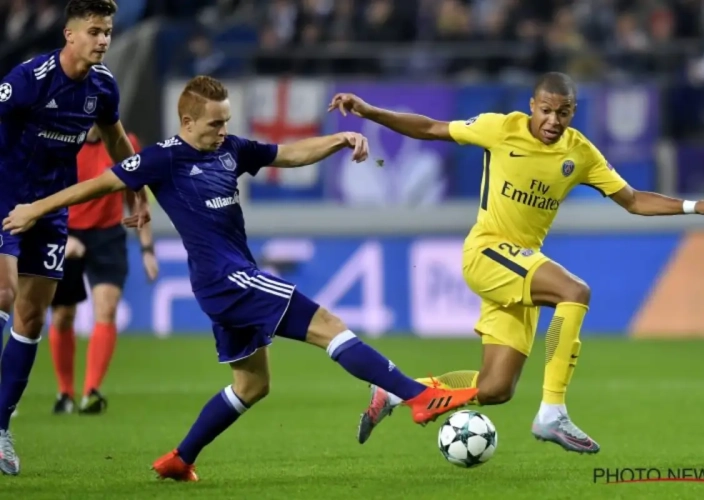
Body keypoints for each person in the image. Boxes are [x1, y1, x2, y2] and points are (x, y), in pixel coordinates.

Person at [2, 75, 478, 482]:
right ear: (186, 123)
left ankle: (179, 458)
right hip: (229, 278)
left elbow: (287, 154)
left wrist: (338, 140)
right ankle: (418, 397)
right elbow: (97, 184)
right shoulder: (163, 158)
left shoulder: (231, 149)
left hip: (225, 285)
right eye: (214, 123)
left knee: (252, 385)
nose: (223, 130)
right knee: (329, 324)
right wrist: (34, 209)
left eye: (226, 120)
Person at [327, 72, 704, 453]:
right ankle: (552, 412)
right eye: (546, 110)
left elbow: (633, 200)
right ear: (532, 106)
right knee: (574, 291)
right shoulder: (500, 127)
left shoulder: (580, 153)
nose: (553, 120)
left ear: (572, 113)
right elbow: (431, 128)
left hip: (520, 265)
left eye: (562, 113)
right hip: (487, 251)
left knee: (495, 388)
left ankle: (398, 392)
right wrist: (369, 111)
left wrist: (696, 205)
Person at [0, 0, 148, 475]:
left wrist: (138, 189)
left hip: (51, 211)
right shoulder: (28, 79)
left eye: (107, 31)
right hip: (5, 199)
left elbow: (117, 141)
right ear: (69, 34)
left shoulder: (102, 88)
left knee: (31, 316)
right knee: (5, 294)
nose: (104, 39)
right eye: (94, 31)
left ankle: (0, 429)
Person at [49, 125, 159, 416]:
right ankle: (65, 393)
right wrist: (60, 236)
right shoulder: (63, 141)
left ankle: (91, 392)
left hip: (108, 236)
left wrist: (147, 249)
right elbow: (44, 190)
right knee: (62, 315)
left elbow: (137, 196)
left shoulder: (126, 141)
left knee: (106, 309)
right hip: (66, 232)